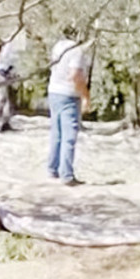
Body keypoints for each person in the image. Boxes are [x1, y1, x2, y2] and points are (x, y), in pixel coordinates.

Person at [47, 28, 91, 186]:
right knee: (69, 136)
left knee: (56, 133)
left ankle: (52, 168)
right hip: (69, 94)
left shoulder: (58, 46)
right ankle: (66, 174)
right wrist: (85, 96)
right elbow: (75, 76)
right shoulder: (76, 51)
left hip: (54, 91)